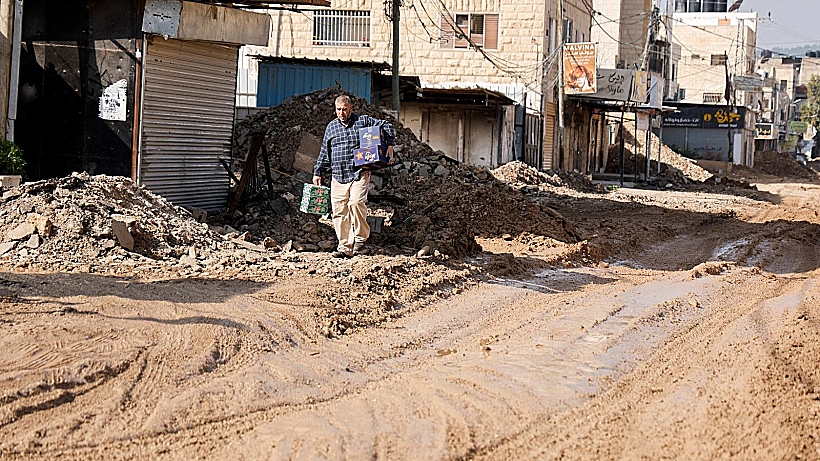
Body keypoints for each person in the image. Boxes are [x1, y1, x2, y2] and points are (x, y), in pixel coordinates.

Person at [313, 95, 395, 258]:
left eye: (344, 109)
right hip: (338, 174)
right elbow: (324, 151)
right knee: (339, 211)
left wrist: (390, 145)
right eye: (338, 109)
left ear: (351, 108)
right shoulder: (331, 127)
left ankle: (360, 239)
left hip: (359, 172)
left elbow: (386, 125)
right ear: (335, 110)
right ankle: (344, 246)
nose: (341, 112)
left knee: (356, 203)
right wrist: (317, 171)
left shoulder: (362, 121)